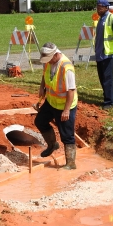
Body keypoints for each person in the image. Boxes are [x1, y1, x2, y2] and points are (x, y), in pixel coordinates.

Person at [34, 42, 78, 170]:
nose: (47, 62)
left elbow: (71, 90)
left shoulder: (66, 67)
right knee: (40, 121)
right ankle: (52, 145)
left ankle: (71, 163)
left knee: (67, 135)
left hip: (65, 105)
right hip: (51, 101)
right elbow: (45, 75)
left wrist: (66, 110)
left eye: (49, 59)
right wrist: (42, 87)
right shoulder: (49, 62)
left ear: (55, 54)